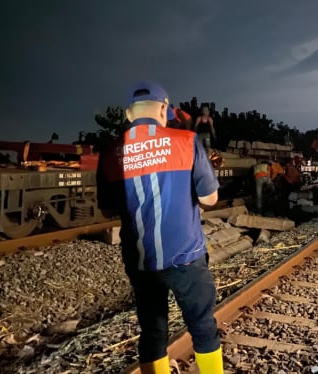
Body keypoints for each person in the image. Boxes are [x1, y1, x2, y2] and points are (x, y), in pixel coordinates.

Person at [96, 82, 223, 374]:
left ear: (129, 114)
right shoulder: (186, 141)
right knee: (202, 326)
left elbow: (108, 209)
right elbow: (209, 199)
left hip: (140, 260)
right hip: (186, 257)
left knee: (152, 331)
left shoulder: (111, 152)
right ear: (164, 110)